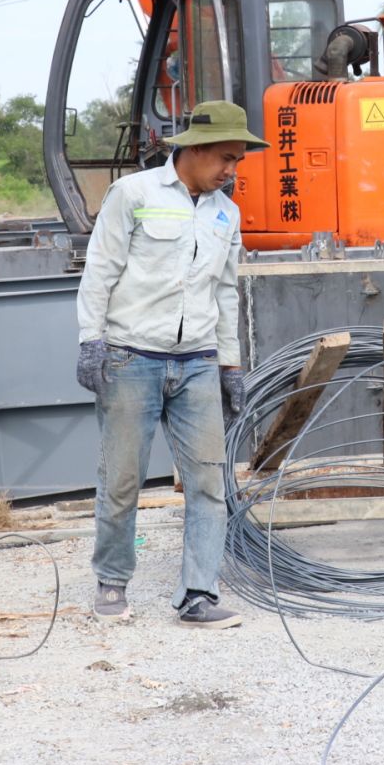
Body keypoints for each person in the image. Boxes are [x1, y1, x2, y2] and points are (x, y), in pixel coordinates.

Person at [74, 100, 267, 630]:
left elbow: (226, 292)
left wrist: (230, 364)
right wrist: (91, 341)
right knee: (122, 478)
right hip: (130, 358)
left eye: (239, 161)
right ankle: (112, 583)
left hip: (198, 363)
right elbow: (100, 272)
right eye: (227, 157)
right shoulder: (133, 195)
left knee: (209, 482)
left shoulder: (227, 215)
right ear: (195, 150)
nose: (233, 170)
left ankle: (199, 595)